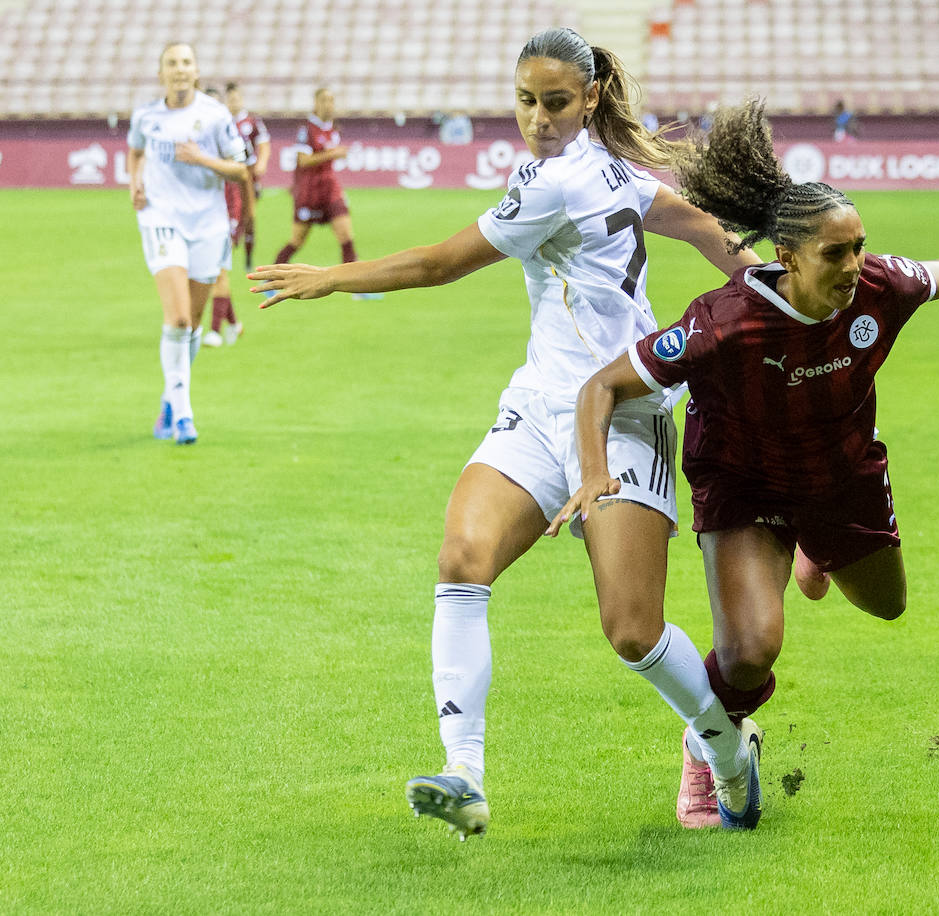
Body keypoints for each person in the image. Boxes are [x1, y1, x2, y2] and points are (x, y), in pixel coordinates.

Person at [248, 28, 766, 837]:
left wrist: (330, 279)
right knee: (463, 557)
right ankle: (465, 772)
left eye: (555, 102)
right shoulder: (596, 171)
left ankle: (725, 751)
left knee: (632, 632)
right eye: (525, 101)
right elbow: (699, 227)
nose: (536, 118)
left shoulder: (567, 182)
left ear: (591, 98)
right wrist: (763, 280)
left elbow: (438, 264)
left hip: (625, 410)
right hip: (540, 403)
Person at [548, 100, 939, 831]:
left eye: (860, 245)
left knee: (887, 604)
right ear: (788, 257)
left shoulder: (878, 291)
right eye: (837, 253)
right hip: (745, 483)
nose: (855, 265)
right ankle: (711, 745)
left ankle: (812, 550)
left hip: (840, 476)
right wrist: (591, 473)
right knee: (748, 652)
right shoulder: (721, 325)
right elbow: (603, 385)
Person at [127, 43, 250, 444]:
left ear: (196, 72)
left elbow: (240, 169)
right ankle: (183, 414)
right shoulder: (146, 115)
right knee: (178, 319)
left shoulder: (214, 116)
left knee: (193, 324)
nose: (179, 70)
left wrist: (203, 160)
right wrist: (135, 182)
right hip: (161, 220)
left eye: (186, 63)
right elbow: (135, 150)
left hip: (208, 225)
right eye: (171, 64)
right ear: (160, 73)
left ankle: (169, 396)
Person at [270, 87, 380, 301]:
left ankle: (356, 287)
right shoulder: (307, 130)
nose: (329, 105)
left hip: (330, 192)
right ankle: (271, 279)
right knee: (297, 240)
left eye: (332, 100)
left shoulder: (333, 129)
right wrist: (332, 154)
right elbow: (303, 160)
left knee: (346, 236)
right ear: (316, 103)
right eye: (325, 100)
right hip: (310, 194)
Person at [204, 82, 270, 347]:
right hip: (205, 211)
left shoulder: (227, 132)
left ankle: (214, 331)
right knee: (210, 271)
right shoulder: (198, 134)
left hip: (228, 209)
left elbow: (242, 171)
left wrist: (246, 207)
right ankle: (234, 324)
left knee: (217, 270)